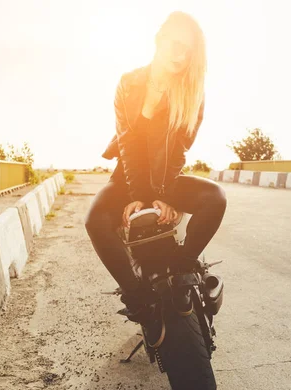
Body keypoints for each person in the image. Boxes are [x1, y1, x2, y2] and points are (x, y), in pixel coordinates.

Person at [84, 11, 227, 321]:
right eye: (176, 44)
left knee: (216, 197)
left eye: (189, 50)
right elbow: (127, 142)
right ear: (159, 40)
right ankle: (136, 296)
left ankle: (184, 265)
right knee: (95, 221)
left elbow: (179, 149)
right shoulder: (129, 83)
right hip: (128, 177)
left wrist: (165, 196)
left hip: (168, 177)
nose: (181, 55)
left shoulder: (192, 93)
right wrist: (140, 196)